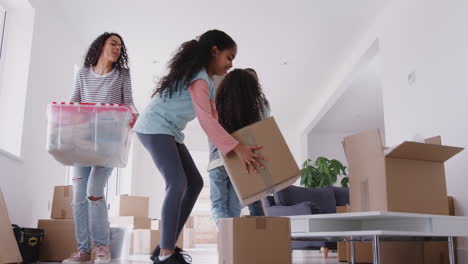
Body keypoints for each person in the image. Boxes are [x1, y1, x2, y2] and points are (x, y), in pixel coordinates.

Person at [133, 30, 264, 264]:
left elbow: (213, 119)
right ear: (214, 51)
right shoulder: (200, 79)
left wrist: (235, 148)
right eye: (229, 57)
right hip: (154, 126)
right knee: (177, 182)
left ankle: (166, 246)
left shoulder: (208, 82)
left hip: (169, 131)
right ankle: (166, 254)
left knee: (195, 183)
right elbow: (205, 121)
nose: (231, 64)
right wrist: (237, 149)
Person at [62, 32, 138, 264]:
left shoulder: (123, 75)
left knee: (94, 192)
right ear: (101, 46)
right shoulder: (83, 74)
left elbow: (128, 101)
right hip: (82, 141)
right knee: (78, 197)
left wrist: (134, 112)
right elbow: (74, 101)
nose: (117, 48)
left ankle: (102, 248)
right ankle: (83, 251)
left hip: (108, 142)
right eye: (113, 43)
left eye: (120, 45)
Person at [208, 68, 270, 228]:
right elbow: (262, 129)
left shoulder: (219, 102)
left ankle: (227, 239)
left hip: (218, 160)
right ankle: (231, 241)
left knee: (219, 206)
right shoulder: (255, 107)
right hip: (240, 161)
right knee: (234, 208)